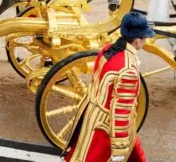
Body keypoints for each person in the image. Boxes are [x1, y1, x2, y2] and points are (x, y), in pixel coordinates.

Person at [62, 11, 152, 162]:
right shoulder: (128, 69)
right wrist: (119, 148)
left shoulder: (108, 49)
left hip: (93, 115)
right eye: (144, 38)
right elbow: (121, 112)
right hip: (106, 127)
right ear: (137, 41)